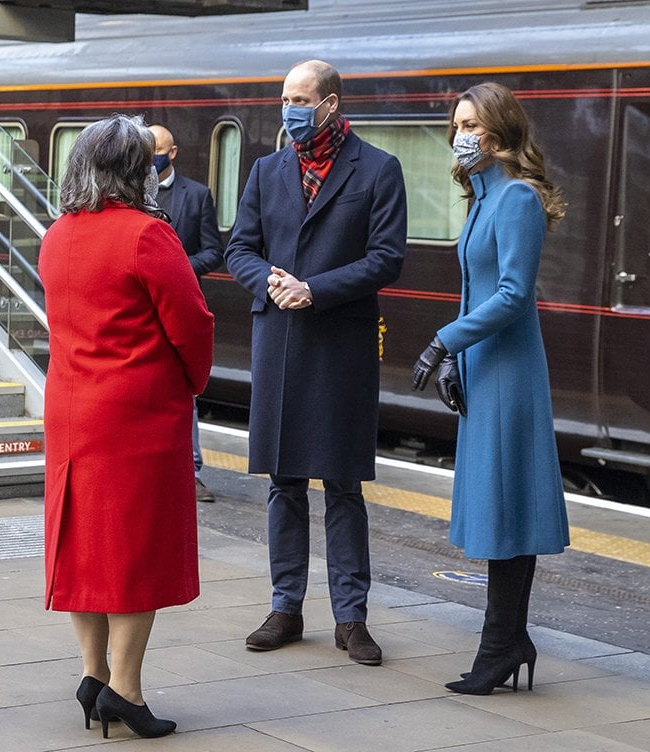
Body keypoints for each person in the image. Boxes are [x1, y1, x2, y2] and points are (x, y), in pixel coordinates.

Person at [224, 59, 407, 666]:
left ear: (330, 104)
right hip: (278, 338)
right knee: (284, 483)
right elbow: (239, 248)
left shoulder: (379, 168)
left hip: (340, 345)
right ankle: (286, 607)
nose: (289, 110)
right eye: (284, 98)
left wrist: (316, 289)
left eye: (300, 99)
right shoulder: (266, 169)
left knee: (344, 484)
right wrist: (270, 283)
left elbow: (387, 258)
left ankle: (351, 618)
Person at [39, 115, 214, 737]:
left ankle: (92, 676)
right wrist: (191, 384)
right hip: (134, 420)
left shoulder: (56, 234)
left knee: (83, 549)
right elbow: (192, 322)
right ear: (134, 170)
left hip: (69, 412)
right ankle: (127, 691)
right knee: (133, 555)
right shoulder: (147, 235)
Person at [411, 82, 570, 695]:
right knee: (497, 503)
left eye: (472, 123)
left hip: (509, 373)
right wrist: (457, 358)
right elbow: (477, 287)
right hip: (483, 366)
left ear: (501, 131)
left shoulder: (518, 200)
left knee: (509, 505)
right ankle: (507, 640)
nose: (461, 135)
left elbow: (512, 293)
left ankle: (502, 643)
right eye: (456, 123)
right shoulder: (481, 200)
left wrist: (444, 341)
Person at [149, 123, 224, 503]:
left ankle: (191, 470)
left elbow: (214, 250)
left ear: (173, 152)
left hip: (180, 301)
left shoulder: (196, 196)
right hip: (143, 307)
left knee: (185, 389)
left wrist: (178, 269)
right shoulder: (129, 193)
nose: (151, 158)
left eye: (158, 150)